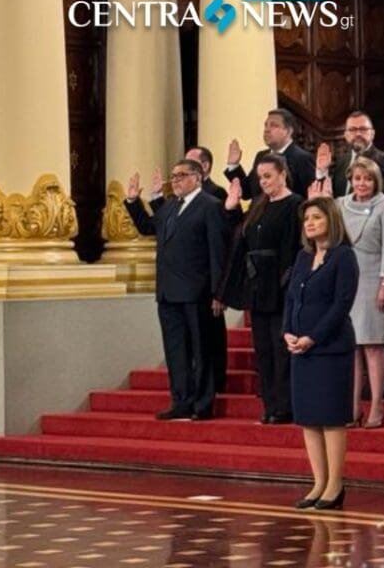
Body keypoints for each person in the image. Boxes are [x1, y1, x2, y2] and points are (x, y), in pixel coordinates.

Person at [123, 160, 226, 421]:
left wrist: (218, 292)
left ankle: (202, 404)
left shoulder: (210, 206)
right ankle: (181, 400)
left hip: (197, 291)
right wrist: (134, 202)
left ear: (198, 177)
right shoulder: (171, 206)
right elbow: (149, 228)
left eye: (182, 175)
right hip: (168, 292)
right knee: (175, 350)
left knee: (201, 350)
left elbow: (217, 251)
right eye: (174, 176)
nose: (176, 180)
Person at [310, 157, 384, 428]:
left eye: (368, 179)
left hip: (373, 279)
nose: (362, 184)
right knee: (351, 346)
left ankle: (376, 406)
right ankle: (351, 407)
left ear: (376, 181)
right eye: (358, 178)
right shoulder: (339, 204)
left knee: (372, 344)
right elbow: (328, 238)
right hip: (346, 280)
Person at [286, 197, 359, 511]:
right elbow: (291, 299)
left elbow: (341, 304)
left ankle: (335, 485)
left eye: (316, 217)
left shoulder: (344, 257)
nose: (310, 223)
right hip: (300, 349)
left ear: (331, 219)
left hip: (330, 348)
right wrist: (288, 332)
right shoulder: (303, 257)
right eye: (306, 219)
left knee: (330, 418)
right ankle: (318, 482)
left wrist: (313, 337)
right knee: (309, 420)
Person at [220, 154, 304, 425]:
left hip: (281, 284)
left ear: (283, 174)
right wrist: (232, 209)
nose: (264, 182)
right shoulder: (258, 204)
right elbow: (241, 237)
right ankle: (269, 404)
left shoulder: (295, 205)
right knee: (263, 349)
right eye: (260, 178)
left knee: (281, 348)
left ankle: (285, 406)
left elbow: (295, 248)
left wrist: (287, 282)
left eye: (268, 176)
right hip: (256, 285)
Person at [224, 108, 317, 203]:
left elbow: (310, 198)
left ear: (289, 131)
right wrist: (234, 166)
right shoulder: (261, 156)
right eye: (266, 125)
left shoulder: (302, 158)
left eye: (274, 125)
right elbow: (247, 192)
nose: (267, 130)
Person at [317, 111, 384, 201]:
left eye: (363, 129)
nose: (358, 134)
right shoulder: (342, 161)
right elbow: (329, 195)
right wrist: (322, 171)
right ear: (346, 135)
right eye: (352, 130)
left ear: (372, 134)